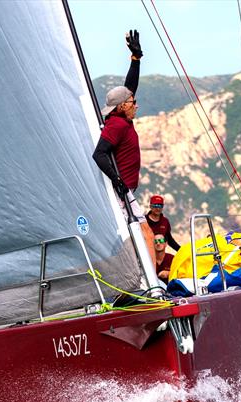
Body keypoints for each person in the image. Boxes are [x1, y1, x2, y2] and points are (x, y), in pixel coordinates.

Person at [92, 30, 155, 257]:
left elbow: (129, 88)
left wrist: (135, 60)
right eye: (132, 102)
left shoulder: (122, 118)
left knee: (134, 239)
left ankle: (140, 282)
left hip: (126, 190)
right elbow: (99, 154)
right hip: (122, 192)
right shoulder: (116, 125)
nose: (136, 104)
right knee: (146, 235)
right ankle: (155, 289)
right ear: (122, 106)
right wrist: (117, 180)